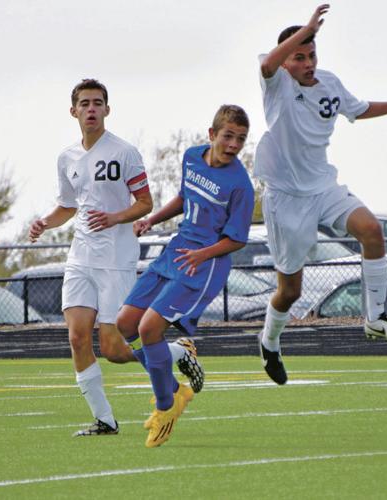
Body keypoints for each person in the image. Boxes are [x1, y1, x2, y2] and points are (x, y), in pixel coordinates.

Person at [255, 4, 387, 385]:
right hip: (286, 198)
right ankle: (269, 341)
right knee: (289, 292)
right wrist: (305, 27)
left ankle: (374, 320)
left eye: (312, 55)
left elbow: (359, 108)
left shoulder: (330, 83)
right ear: (287, 59)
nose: (308, 63)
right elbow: (267, 65)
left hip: (323, 187)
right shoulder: (277, 85)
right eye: (300, 56)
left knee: (372, 230)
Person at [29, 78, 204, 437]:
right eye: (84, 103)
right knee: (77, 338)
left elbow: (145, 203)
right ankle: (104, 420)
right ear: (73, 111)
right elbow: (67, 207)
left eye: (97, 103)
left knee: (114, 349)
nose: (91, 109)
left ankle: (177, 351)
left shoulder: (124, 152)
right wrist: (46, 223)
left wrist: (114, 218)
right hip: (80, 257)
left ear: (107, 110)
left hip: (116, 258)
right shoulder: (67, 158)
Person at [116, 104, 255, 448]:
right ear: (211, 135)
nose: (234, 144)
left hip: (203, 265)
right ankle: (177, 370)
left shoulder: (240, 185)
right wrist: (152, 220)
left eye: (241, 139)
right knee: (123, 327)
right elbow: (183, 198)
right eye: (228, 136)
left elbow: (237, 238)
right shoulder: (192, 156)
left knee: (149, 329)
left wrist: (202, 253)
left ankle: (167, 408)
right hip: (175, 252)